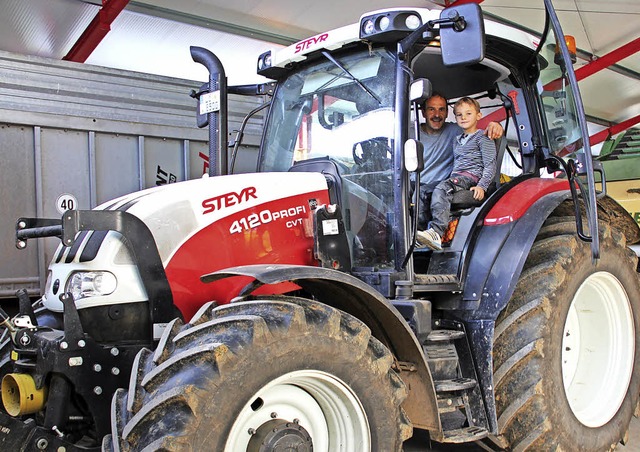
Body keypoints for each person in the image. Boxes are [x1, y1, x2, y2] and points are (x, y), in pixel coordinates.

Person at [417, 97, 497, 251]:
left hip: (470, 178)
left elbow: (490, 164)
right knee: (424, 191)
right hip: (456, 177)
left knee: (441, 189)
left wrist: (482, 186)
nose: (464, 117)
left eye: (468, 114)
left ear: (478, 116)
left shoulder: (483, 137)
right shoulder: (457, 139)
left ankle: (437, 232)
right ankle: (419, 233)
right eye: (459, 115)